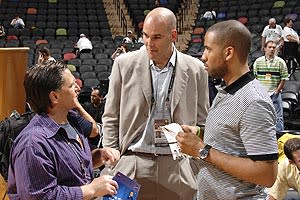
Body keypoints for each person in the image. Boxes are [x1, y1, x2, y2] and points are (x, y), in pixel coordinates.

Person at [102, 7, 209, 200]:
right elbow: (111, 116)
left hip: (178, 164)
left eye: (157, 37)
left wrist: (195, 166)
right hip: (133, 160)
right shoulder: (123, 64)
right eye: (145, 36)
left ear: (173, 35)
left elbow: (203, 122)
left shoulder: (196, 69)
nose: (149, 43)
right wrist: (113, 155)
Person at [176, 20, 278, 199]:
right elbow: (233, 139)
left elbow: (267, 174)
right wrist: (200, 133)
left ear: (228, 53)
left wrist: (202, 150)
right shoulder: (228, 89)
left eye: (208, 49)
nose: (203, 57)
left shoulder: (254, 101)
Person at [7, 61, 120, 199]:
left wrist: (98, 156)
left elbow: (69, 165)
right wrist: (90, 190)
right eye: (72, 85)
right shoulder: (32, 144)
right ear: (54, 96)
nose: (78, 88)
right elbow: (41, 197)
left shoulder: (72, 120)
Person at [253, 40, 289, 134]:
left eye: (274, 47)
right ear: (264, 49)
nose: (272, 49)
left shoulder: (280, 62)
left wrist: (277, 91)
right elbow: (255, 78)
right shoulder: (258, 62)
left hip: (274, 94)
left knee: (278, 118)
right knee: (260, 117)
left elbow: (284, 78)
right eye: (270, 47)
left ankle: (278, 139)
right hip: (261, 94)